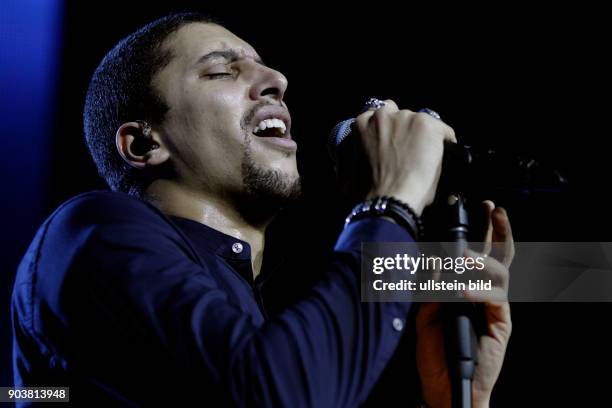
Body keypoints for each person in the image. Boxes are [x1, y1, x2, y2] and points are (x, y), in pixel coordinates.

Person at [12, 12, 513, 407]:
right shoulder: (91, 232)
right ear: (144, 143)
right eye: (220, 70)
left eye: (265, 66)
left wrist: (451, 400)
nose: (277, 78)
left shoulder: (271, 316)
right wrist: (391, 201)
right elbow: (276, 394)